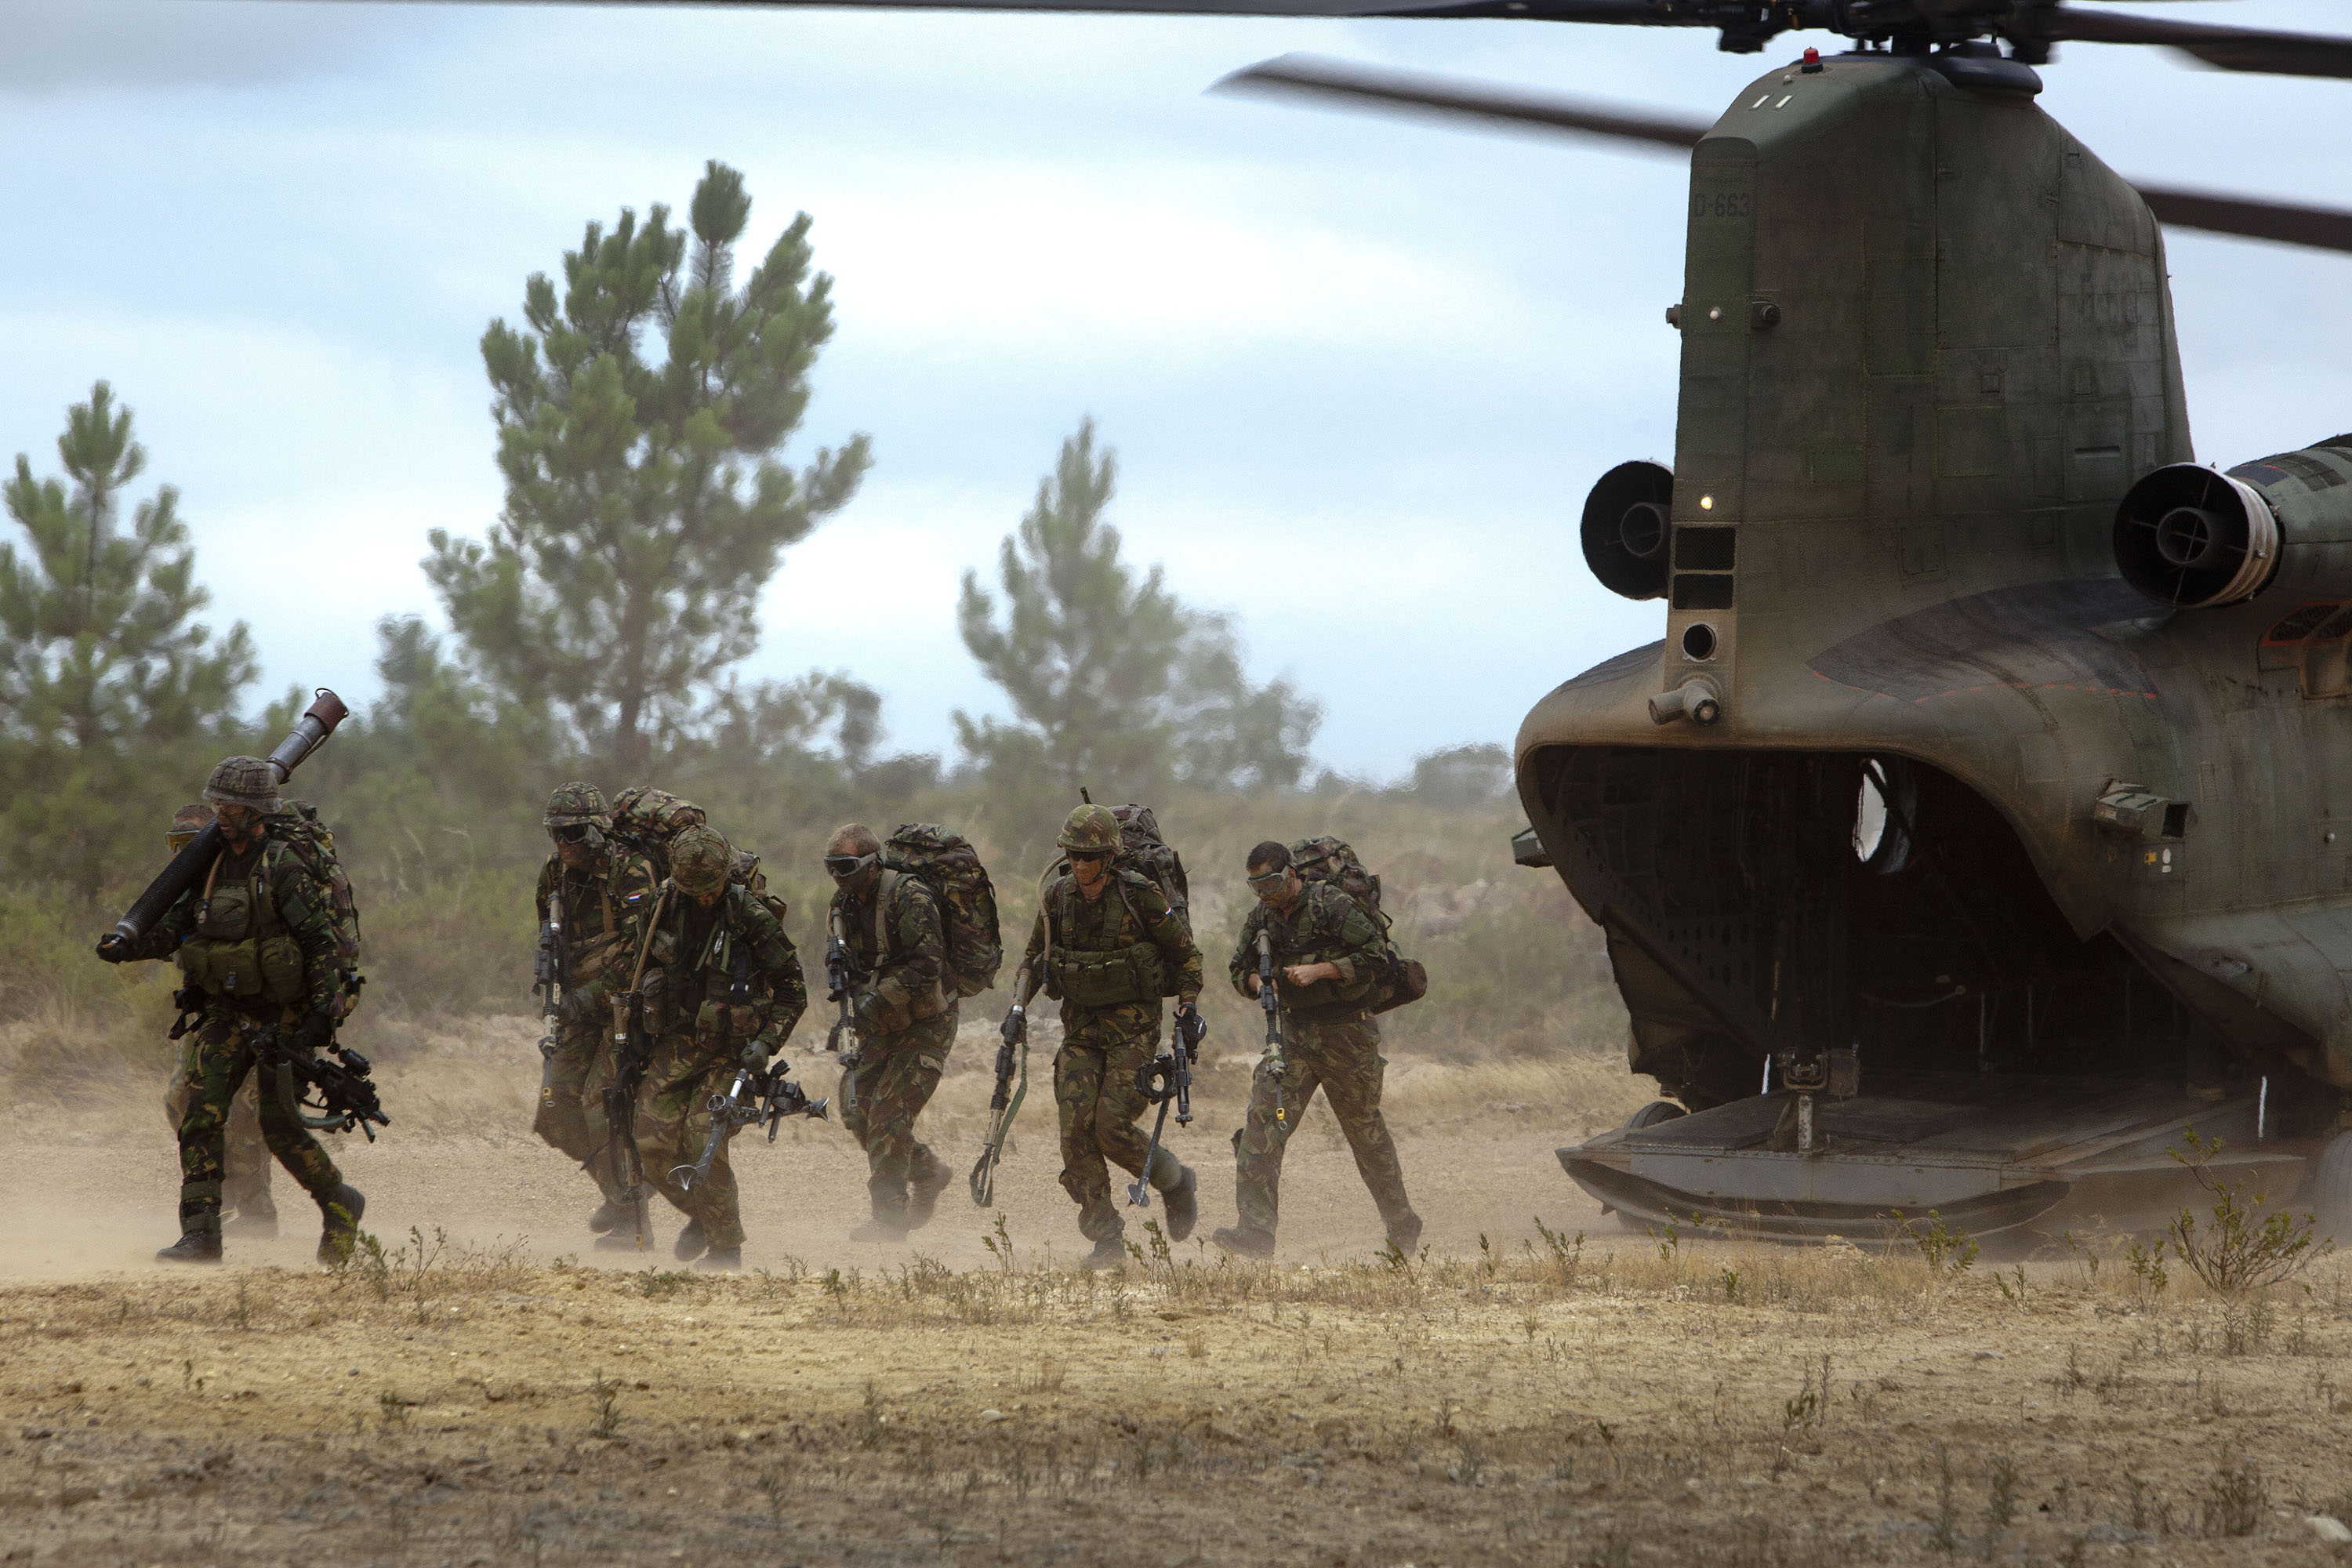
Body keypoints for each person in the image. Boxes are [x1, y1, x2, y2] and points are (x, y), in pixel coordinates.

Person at [103, 757, 365, 1264]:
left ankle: (339, 1202)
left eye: (232, 809)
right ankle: (202, 1233)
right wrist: (129, 947)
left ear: (257, 812)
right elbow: (179, 927)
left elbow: (319, 944)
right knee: (199, 1114)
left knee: (280, 1127)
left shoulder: (284, 866)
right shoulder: (209, 867)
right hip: (225, 1011)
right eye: (219, 807)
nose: (222, 817)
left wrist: (320, 1014)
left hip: (282, 1015)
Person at [1006, 804, 1203, 1269]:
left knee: (1110, 1126)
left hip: (1133, 1029)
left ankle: (1174, 1181)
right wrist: (1017, 1009)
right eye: (1073, 855)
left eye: (1090, 856)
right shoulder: (1057, 898)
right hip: (1081, 1029)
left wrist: (1187, 1008)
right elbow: (1034, 958)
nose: (1080, 864)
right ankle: (1105, 1239)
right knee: (1075, 1132)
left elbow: (1187, 958)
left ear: (1109, 857)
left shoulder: (1141, 895)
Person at [1213, 840, 1421, 1259]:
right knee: (1261, 1128)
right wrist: (1259, 983)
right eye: (1256, 886)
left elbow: (1377, 958)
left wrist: (1322, 971)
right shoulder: (1263, 918)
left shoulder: (1331, 905)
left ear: (1291, 875)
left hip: (1347, 1033)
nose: (1264, 893)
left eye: (1270, 883)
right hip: (1293, 1035)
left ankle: (1402, 1224)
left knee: (1365, 1136)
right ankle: (1255, 1233)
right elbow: (1238, 968)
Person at [630, 826, 806, 1271]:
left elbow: (793, 990)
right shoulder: (661, 907)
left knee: (701, 1133)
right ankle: (705, 1215)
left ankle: (726, 1250)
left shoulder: (752, 917)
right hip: (678, 1041)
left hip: (733, 1049)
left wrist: (766, 1043)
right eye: (696, 891)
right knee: (648, 1137)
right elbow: (636, 970)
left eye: (712, 889)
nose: (705, 898)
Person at [530, 782, 659, 1240]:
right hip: (576, 1006)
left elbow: (641, 953)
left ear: (597, 830)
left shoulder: (630, 870)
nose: (564, 845)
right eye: (556, 834)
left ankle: (632, 1215)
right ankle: (621, 1189)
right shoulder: (555, 874)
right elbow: (550, 936)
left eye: (574, 833)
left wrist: (589, 997)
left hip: (624, 1007)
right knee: (554, 1108)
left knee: (601, 1105)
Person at [824, 824, 956, 1242]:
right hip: (879, 1023)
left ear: (871, 864)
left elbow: (928, 965)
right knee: (856, 1109)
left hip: (926, 1021)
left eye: (845, 866)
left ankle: (889, 1219)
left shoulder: (909, 897)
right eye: (830, 867)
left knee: (888, 1115)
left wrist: (873, 1003)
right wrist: (850, 1015)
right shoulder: (843, 906)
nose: (837, 876)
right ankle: (928, 1171)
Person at [155, 802, 277, 1237]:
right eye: (176, 844)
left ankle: (256, 1213)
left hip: (254, 1015)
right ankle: (217, 1197)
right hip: (206, 1015)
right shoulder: (186, 891)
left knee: (246, 1115)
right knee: (180, 1101)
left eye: (190, 843)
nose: (181, 854)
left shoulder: (242, 880)